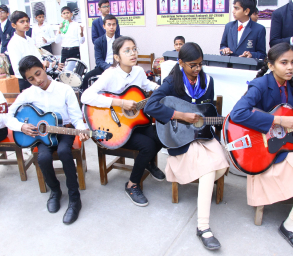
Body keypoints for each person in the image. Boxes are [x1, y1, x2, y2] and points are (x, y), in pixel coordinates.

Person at [144, 42, 229, 251]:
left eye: (200, 64)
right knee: (209, 168)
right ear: (180, 63)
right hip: (179, 139)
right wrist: (180, 116)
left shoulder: (207, 81)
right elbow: (150, 106)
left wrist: (218, 120)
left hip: (202, 136)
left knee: (224, 164)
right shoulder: (172, 82)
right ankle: (203, 227)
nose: (198, 69)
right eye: (193, 65)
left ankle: (201, 180)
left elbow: (206, 111)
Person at [81, 36, 165, 207]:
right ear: (117, 57)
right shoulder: (110, 74)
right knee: (147, 145)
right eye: (127, 51)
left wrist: (160, 89)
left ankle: (147, 162)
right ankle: (132, 184)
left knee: (161, 134)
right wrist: (119, 102)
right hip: (115, 128)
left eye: (134, 49)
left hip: (135, 122)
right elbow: (86, 96)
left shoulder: (138, 71)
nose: (133, 53)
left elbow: (146, 84)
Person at [6, 55, 89, 225]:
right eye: (31, 78)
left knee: (65, 152)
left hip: (64, 130)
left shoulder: (64, 89)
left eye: (38, 73)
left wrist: (82, 129)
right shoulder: (27, 94)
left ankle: (75, 199)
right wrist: (21, 127)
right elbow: (8, 116)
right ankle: (55, 191)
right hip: (42, 135)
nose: (37, 80)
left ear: (44, 68)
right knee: (42, 158)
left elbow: (75, 117)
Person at [229, 42, 293, 248]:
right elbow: (238, 113)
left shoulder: (289, 85)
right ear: (271, 65)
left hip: (285, 142)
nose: (290, 67)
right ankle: (289, 226)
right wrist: (279, 121)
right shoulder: (261, 85)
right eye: (284, 62)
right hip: (264, 149)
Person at [7, 11, 49, 92]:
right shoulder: (13, 43)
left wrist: (44, 64)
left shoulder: (29, 39)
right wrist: (32, 75)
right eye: (22, 22)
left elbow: (38, 58)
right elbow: (17, 69)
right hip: (26, 81)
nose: (26, 24)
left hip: (38, 78)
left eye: (27, 21)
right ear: (13, 25)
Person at [81, 14, 120, 91]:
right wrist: (109, 67)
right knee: (87, 77)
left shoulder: (122, 40)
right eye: (109, 24)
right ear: (104, 26)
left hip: (119, 67)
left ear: (116, 26)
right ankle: (85, 101)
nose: (111, 27)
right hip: (104, 67)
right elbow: (99, 60)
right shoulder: (98, 41)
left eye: (113, 24)